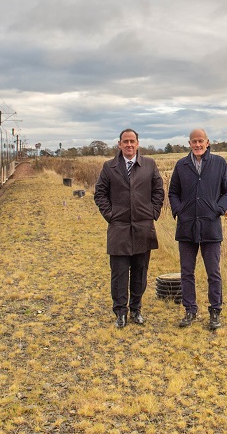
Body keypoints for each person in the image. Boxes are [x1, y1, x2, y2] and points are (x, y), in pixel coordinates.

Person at [94, 129, 165, 328]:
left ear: (138, 143)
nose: (129, 145)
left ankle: (136, 309)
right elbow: (100, 194)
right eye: (125, 142)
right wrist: (110, 215)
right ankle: (120, 312)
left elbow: (158, 190)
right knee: (119, 273)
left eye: (132, 141)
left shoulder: (149, 165)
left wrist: (152, 212)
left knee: (140, 272)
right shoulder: (109, 167)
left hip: (143, 228)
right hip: (119, 229)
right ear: (119, 144)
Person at [168, 128, 227, 330]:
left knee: (213, 272)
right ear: (189, 144)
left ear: (207, 142)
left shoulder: (219, 163)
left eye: (201, 141)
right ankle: (190, 310)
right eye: (194, 141)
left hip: (210, 226)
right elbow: (173, 192)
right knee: (186, 272)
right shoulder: (182, 165)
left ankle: (215, 311)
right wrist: (179, 210)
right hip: (186, 226)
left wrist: (219, 208)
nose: (197, 145)